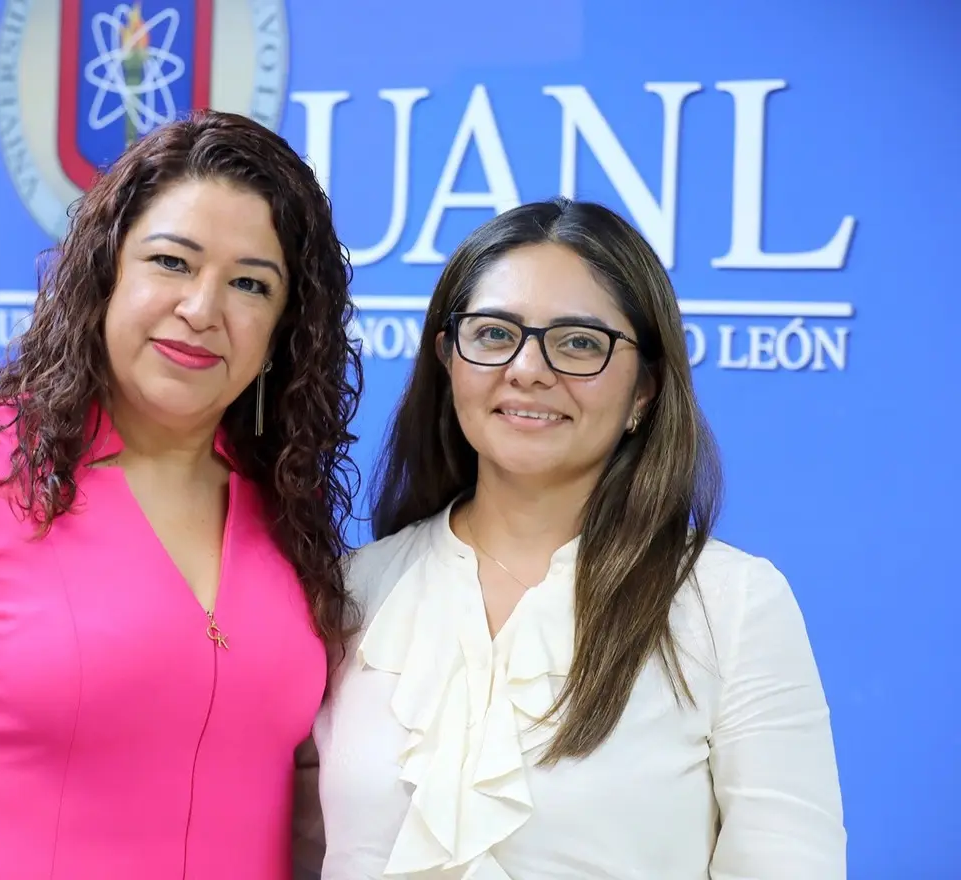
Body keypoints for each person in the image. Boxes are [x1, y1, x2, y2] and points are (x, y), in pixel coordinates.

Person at [0, 110, 363, 879]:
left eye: (250, 284)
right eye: (171, 262)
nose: (202, 310)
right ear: (106, 274)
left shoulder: (288, 517)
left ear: (282, 330)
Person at [295, 198, 845, 878]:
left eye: (580, 342)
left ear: (645, 388)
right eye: (494, 333)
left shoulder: (730, 605)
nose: (528, 368)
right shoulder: (352, 591)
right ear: (448, 359)